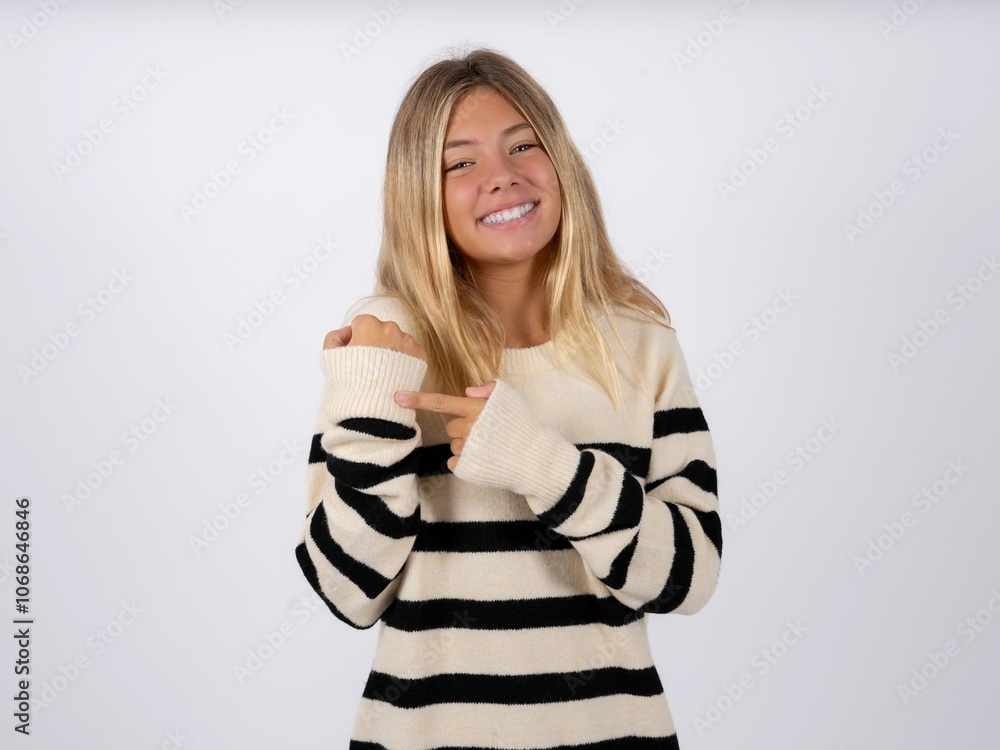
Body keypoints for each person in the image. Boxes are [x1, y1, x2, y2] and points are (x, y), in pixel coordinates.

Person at [294, 46, 722, 749]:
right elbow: (348, 591)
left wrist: (543, 465)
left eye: (523, 145)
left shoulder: (640, 343)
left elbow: (690, 577)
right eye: (459, 163)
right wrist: (371, 412)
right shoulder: (385, 345)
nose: (502, 175)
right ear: (419, 195)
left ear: (561, 162)